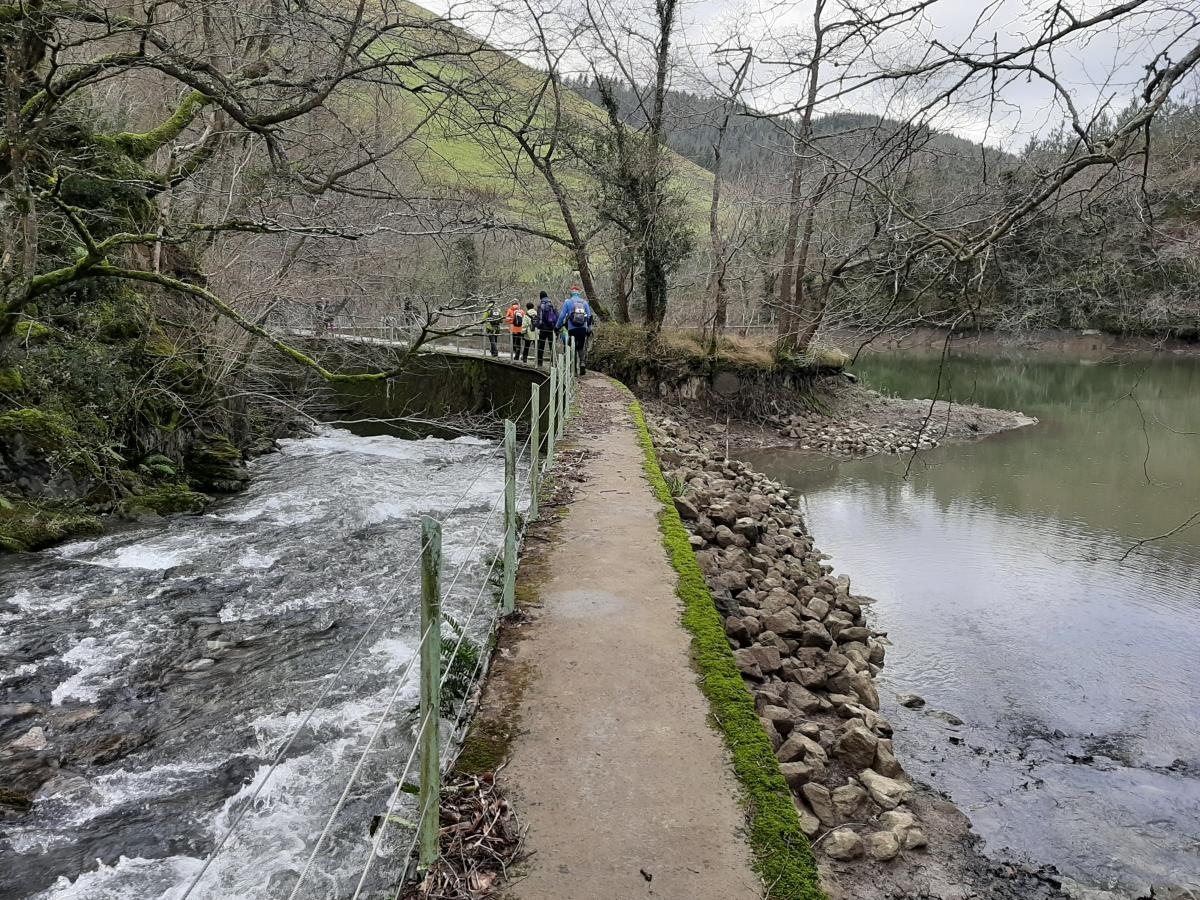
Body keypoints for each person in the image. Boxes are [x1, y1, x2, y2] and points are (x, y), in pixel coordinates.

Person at [557, 285, 594, 376]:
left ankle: (573, 370)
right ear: (579, 293)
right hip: (582, 328)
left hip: (572, 328)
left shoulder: (568, 302)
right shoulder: (584, 303)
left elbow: (562, 316)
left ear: (571, 293)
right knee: (580, 346)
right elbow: (589, 317)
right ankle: (582, 363)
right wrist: (589, 328)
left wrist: (557, 326)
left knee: (571, 347)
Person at [534, 290, 558, 367]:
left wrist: (537, 326)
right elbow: (556, 316)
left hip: (543, 328)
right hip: (551, 328)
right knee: (552, 346)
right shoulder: (552, 304)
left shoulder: (541, 305)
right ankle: (554, 362)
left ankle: (540, 362)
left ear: (541, 297)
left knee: (541, 346)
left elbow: (539, 318)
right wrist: (555, 326)